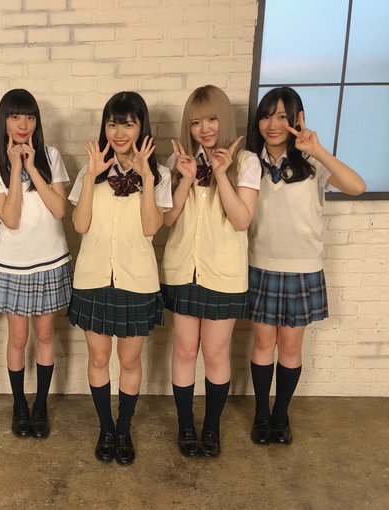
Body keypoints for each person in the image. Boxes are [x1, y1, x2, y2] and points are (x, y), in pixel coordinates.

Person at [246, 87, 365, 446]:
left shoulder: (312, 165)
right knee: (263, 342)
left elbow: (357, 186)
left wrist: (318, 150)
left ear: (297, 120)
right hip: (260, 265)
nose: (273, 124)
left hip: (302, 268)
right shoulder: (249, 164)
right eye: (267, 115)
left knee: (290, 346)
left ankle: (281, 414)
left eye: (282, 116)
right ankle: (261, 414)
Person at [68, 91, 172, 466]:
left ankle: (124, 428)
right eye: (113, 124)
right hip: (93, 278)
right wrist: (91, 175)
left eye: (128, 124)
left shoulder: (159, 175)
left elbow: (151, 228)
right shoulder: (90, 171)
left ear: (142, 127)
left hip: (137, 281)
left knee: (129, 360)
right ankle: (105, 428)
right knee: (98, 358)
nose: (119, 132)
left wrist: (146, 176)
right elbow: (80, 225)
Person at [161, 85, 260, 458]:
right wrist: (186, 177)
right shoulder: (177, 162)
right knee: (185, 350)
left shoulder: (246, 162)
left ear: (225, 118)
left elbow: (241, 220)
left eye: (212, 119)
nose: (204, 128)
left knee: (216, 353)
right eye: (196, 122)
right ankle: (186, 425)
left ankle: (212, 427)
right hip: (182, 270)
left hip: (223, 273)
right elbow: (168, 219)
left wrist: (220, 173)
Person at [0, 89, 72, 440]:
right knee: (18, 337)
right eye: (15, 116)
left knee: (45, 334)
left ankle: (41, 405)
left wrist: (32, 166)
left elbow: (60, 210)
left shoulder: (51, 156)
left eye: (30, 117)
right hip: (13, 265)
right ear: (4, 120)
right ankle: (19, 404)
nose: (23, 124)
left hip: (51, 260)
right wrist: (15, 166)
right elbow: (11, 218)